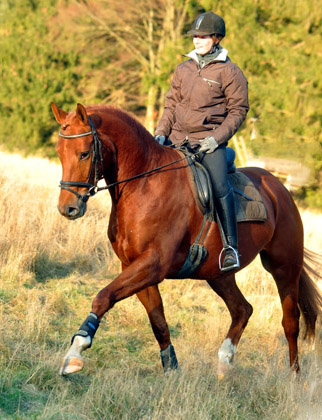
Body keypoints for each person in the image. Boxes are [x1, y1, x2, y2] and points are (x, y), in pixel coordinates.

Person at [154, 11, 249, 272]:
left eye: (203, 36)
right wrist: (161, 131)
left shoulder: (230, 72)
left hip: (208, 144)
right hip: (175, 140)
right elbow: (171, 104)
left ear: (216, 38)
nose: (197, 40)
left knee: (219, 186)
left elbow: (238, 111)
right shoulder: (183, 68)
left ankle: (231, 247)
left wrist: (215, 139)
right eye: (195, 36)